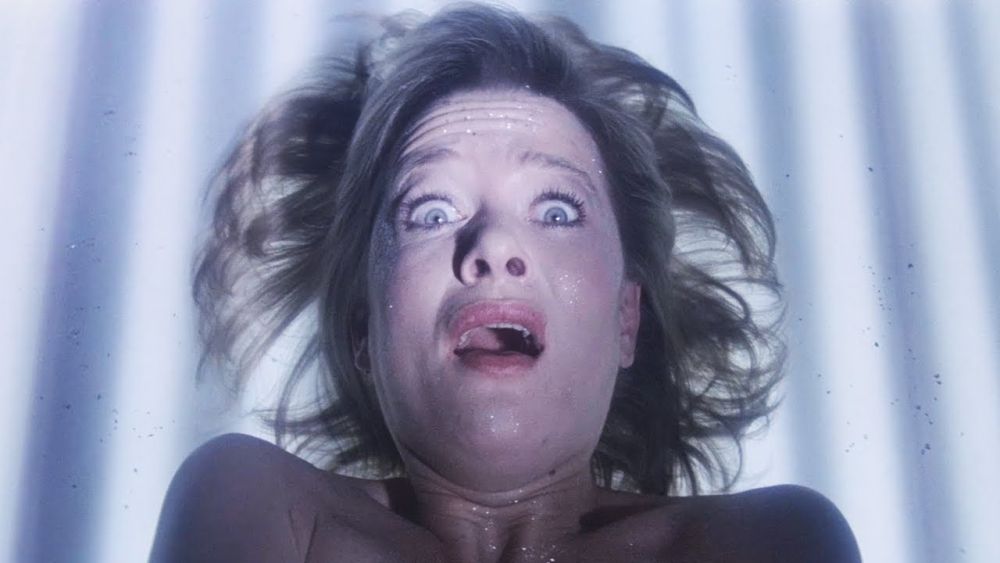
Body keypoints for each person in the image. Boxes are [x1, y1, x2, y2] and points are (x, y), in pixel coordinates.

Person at [150, 4, 860, 562]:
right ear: (362, 328)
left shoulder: (771, 541)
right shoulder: (257, 500)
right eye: (431, 211)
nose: (493, 245)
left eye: (557, 210)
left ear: (626, 319)